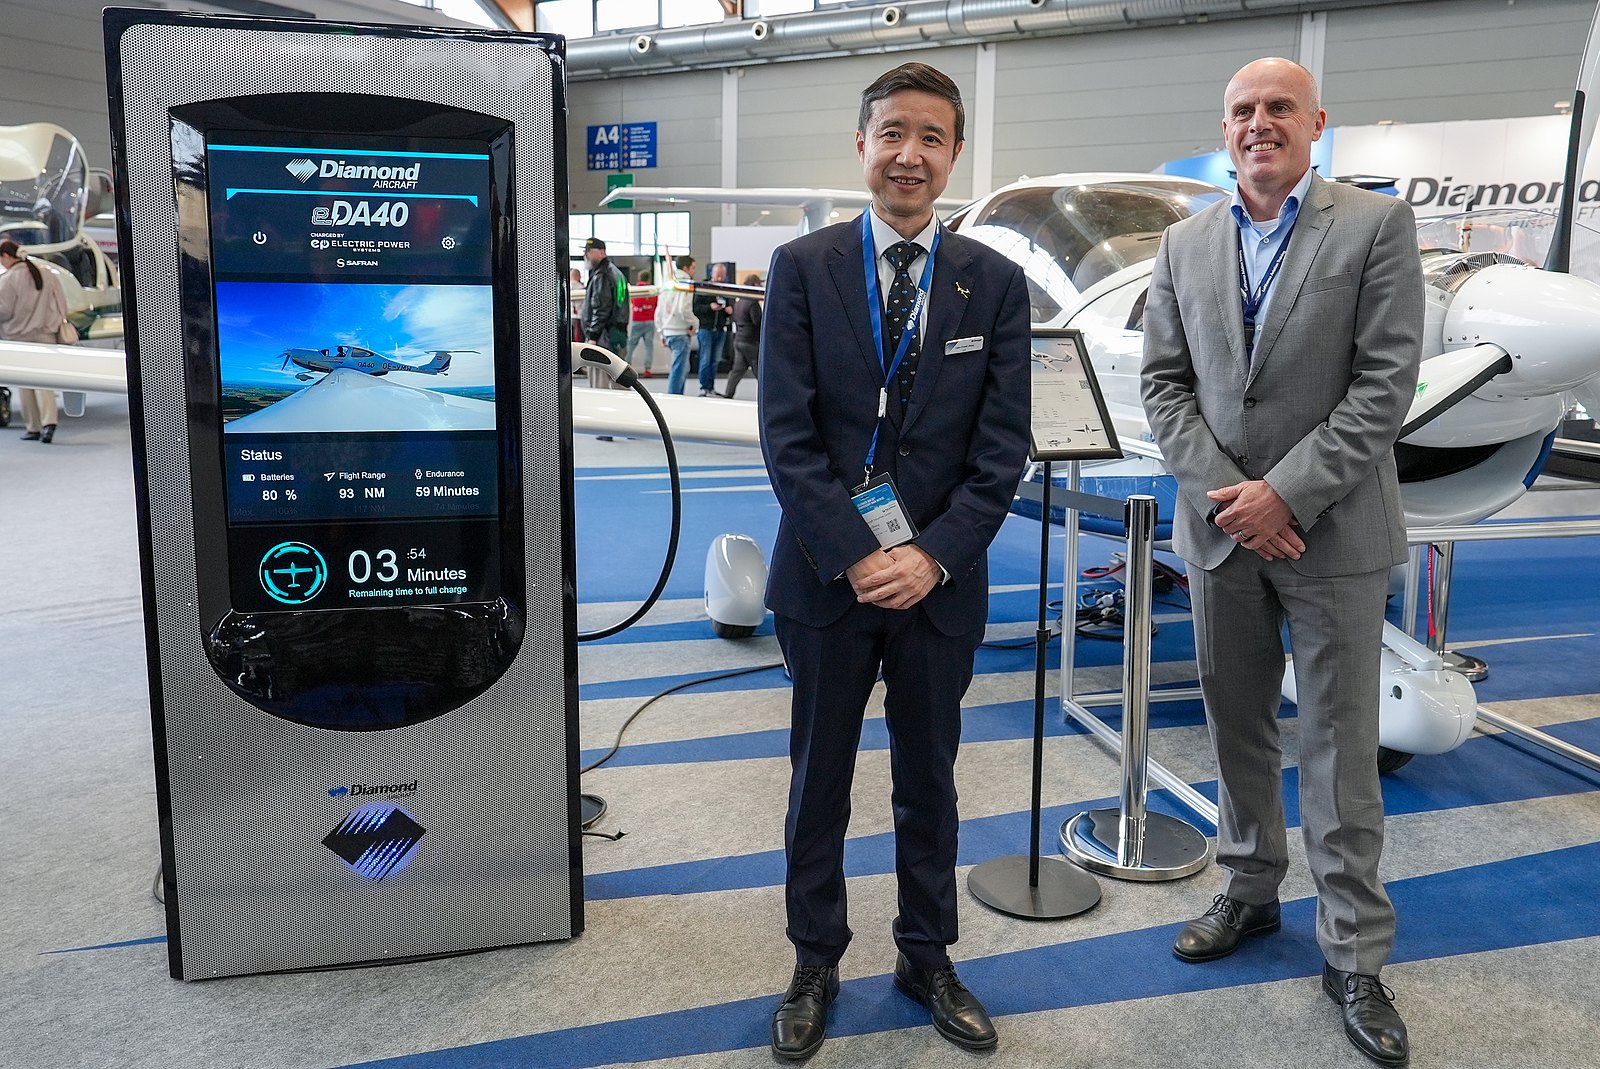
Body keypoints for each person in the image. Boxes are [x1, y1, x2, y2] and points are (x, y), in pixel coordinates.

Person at [1139, 58, 1423, 1068]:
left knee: (1340, 748)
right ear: (1225, 128)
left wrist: (1284, 494)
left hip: (1332, 534)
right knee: (1236, 724)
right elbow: (1163, 384)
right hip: (1220, 533)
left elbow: (1385, 384)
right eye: (1243, 111)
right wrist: (1231, 494)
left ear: (1315, 123)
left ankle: (1351, 951)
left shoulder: (1373, 228)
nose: (1260, 124)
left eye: (1278, 110)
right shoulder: (1184, 242)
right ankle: (1250, 889)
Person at [759, 62, 1030, 1060]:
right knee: (815, 780)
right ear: (862, 146)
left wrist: (933, 558)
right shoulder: (803, 266)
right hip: (829, 582)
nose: (908, 153)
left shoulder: (992, 284)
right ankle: (813, 959)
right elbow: (786, 437)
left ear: (954, 153)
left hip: (938, 588)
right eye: (891, 133)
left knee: (930, 779)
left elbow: (1000, 451)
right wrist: (859, 554)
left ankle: (927, 953)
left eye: (930, 136)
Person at [0, 239, 71, 444]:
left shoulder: (8, 280)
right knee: (44, 383)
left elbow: (3, 311)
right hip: (45, 336)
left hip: (18, 339)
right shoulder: (47, 273)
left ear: (6, 256)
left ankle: (33, 427)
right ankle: (50, 423)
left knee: (25, 385)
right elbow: (61, 305)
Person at [655, 254, 696, 395]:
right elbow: (683, 309)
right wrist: (695, 323)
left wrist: (661, 331)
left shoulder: (667, 281)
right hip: (680, 331)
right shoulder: (686, 282)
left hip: (668, 331)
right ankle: (674, 399)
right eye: (693, 268)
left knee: (680, 368)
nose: (694, 271)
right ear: (686, 268)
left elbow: (659, 309)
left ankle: (675, 397)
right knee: (679, 370)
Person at [580, 237, 628, 354]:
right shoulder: (615, 272)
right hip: (615, 333)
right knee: (614, 371)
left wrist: (593, 336)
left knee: (601, 371)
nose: (585, 256)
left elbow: (601, 308)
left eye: (589, 252)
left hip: (604, 336)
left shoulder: (602, 275)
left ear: (601, 252)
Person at [692, 262, 732, 396]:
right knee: (705, 359)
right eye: (718, 275)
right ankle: (703, 387)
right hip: (705, 328)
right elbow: (695, 308)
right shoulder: (703, 287)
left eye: (722, 275)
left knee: (715, 361)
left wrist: (729, 309)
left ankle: (711, 387)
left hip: (720, 329)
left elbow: (731, 304)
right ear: (712, 274)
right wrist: (710, 307)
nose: (720, 278)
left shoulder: (726, 288)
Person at [723, 273, 762, 398]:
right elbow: (757, 321)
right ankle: (768, 395)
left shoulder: (739, 302)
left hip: (739, 339)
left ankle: (728, 394)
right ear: (755, 285)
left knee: (737, 370)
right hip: (750, 341)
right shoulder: (752, 303)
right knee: (759, 369)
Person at [626, 268, 658, 377]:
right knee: (648, 346)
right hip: (650, 321)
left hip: (637, 320)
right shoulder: (653, 291)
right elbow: (656, 305)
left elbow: (631, 302)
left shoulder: (635, 290)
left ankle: (626, 366)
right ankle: (647, 369)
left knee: (631, 345)